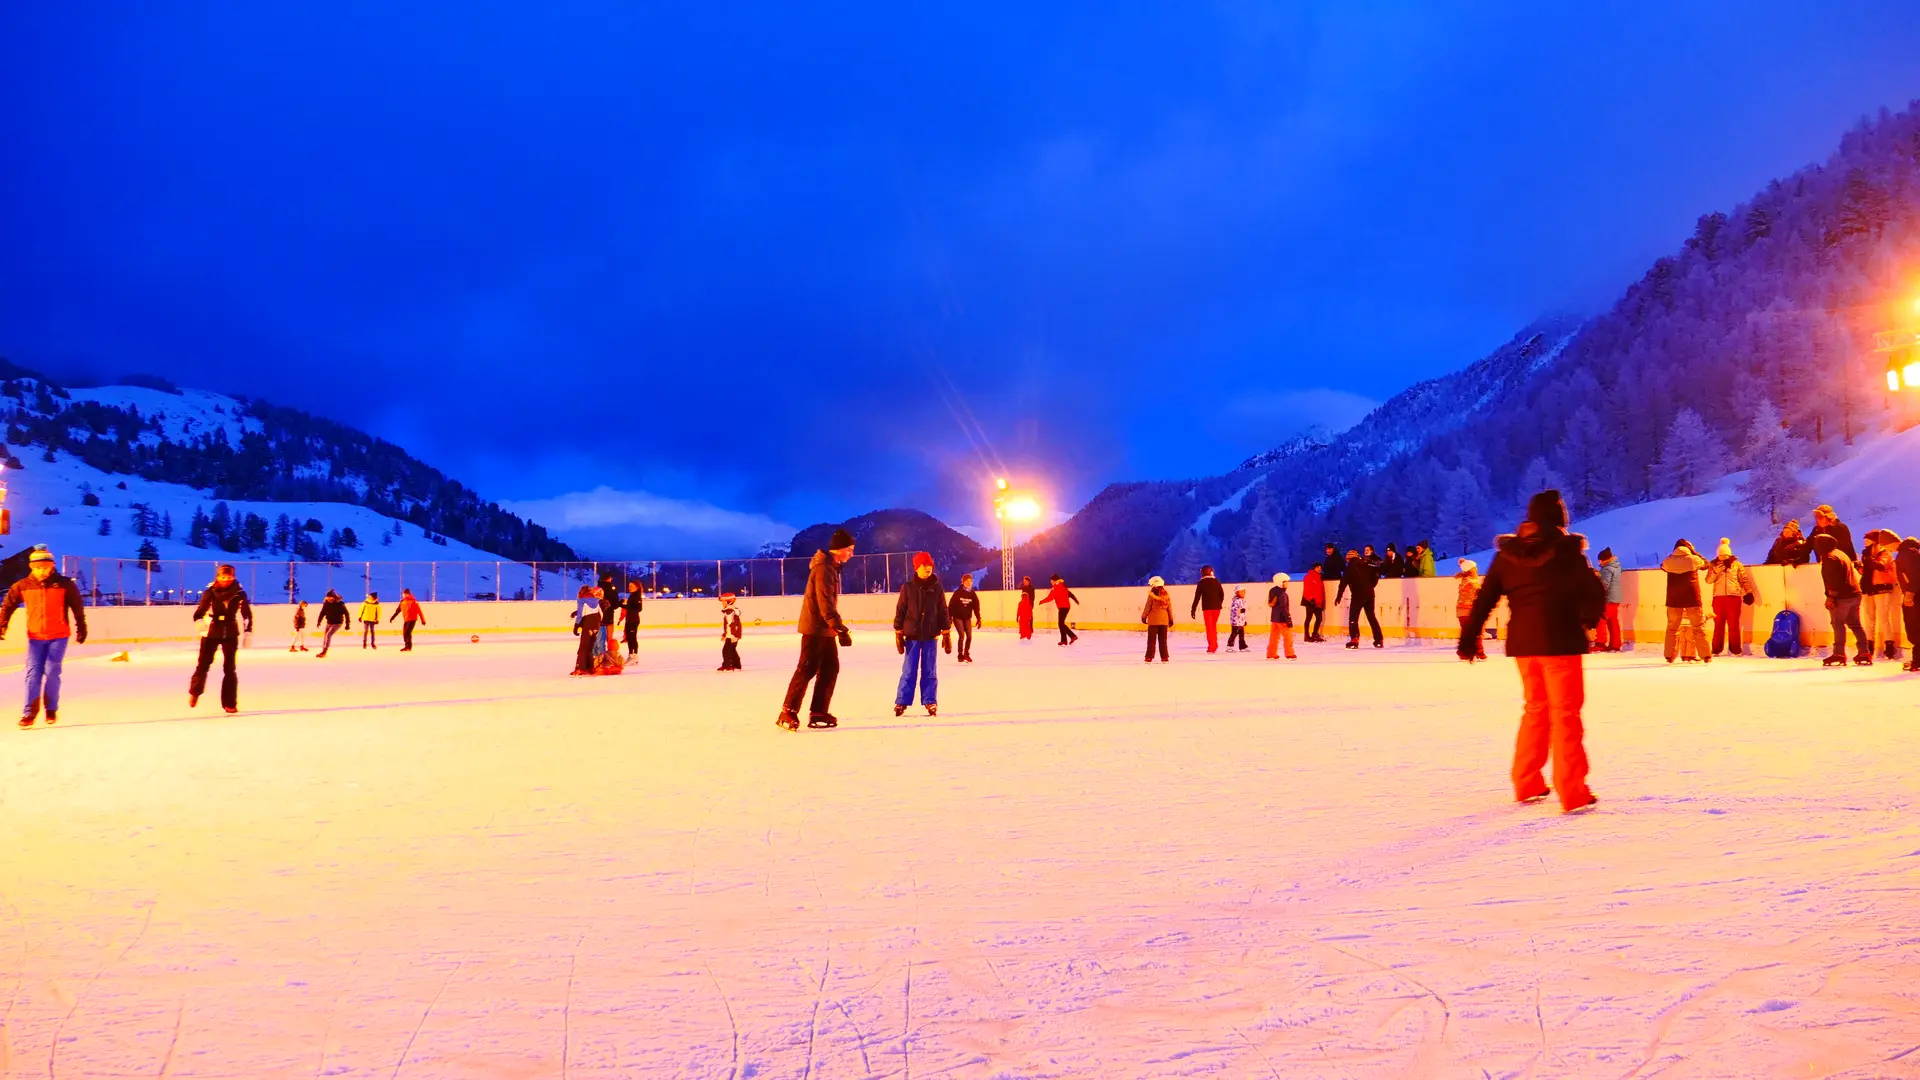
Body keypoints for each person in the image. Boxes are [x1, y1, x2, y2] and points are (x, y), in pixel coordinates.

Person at [1459, 490, 1601, 814]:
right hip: (1561, 643)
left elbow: (1485, 598)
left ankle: (1527, 782)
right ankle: (1573, 791)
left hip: (1524, 646)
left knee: (1535, 710)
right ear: (1559, 519)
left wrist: (1469, 637)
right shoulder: (1568, 552)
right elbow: (1594, 590)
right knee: (1565, 715)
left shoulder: (1507, 554)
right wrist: (1588, 618)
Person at [0, 546, 87, 727]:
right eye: (39, 567)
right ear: (32, 567)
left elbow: (77, 606)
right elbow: (7, 606)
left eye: (46, 567)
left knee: (52, 670)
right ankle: (29, 713)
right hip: (35, 637)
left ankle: (51, 710)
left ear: (52, 567)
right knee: (33, 674)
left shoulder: (64, 584)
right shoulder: (22, 586)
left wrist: (81, 627)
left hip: (59, 635)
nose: (43, 571)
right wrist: (2, 625)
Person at [780, 528, 856, 730]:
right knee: (806, 669)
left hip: (824, 629)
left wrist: (835, 629)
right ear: (839, 550)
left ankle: (818, 711)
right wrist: (840, 628)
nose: (851, 553)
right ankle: (787, 712)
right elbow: (825, 603)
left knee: (830, 669)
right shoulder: (824, 569)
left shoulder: (830, 567)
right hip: (815, 628)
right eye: (849, 549)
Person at [892, 552, 949, 716]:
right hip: (912, 635)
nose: (928, 568)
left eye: (930, 565)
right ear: (917, 568)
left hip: (931, 634)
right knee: (909, 669)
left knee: (930, 670)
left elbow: (943, 610)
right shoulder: (908, 587)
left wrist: (946, 631)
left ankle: (930, 701)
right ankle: (901, 701)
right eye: (924, 566)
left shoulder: (937, 587)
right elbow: (901, 609)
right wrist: (898, 630)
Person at [189, 564, 252, 714]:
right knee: (203, 664)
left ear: (233, 577)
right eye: (223, 577)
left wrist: (248, 632)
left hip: (230, 632)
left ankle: (229, 703)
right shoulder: (210, 592)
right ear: (218, 577)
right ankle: (195, 692)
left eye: (229, 577)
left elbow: (247, 614)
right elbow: (198, 613)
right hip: (211, 632)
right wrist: (201, 625)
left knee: (230, 669)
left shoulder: (239, 593)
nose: (226, 580)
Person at [1813, 533, 1869, 667]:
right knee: (1855, 624)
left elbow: (1835, 579)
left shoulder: (1830, 558)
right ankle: (1864, 652)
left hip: (1842, 597)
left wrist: (1831, 596)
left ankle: (1839, 653)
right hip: (1854, 593)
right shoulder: (1840, 554)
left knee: (1838, 624)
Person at [1704, 539, 1757, 657]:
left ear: (1729, 554)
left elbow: (1743, 579)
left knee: (1733, 624)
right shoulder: (1713, 565)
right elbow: (1708, 580)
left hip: (1734, 597)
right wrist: (1717, 570)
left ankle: (1735, 650)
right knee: (1718, 624)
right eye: (1721, 555)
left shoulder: (1737, 565)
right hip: (1718, 598)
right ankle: (1716, 649)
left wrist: (1748, 592)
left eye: (1725, 555)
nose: (1723, 557)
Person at [1661, 540, 1710, 664]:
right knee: (1698, 627)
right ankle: (1706, 656)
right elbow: (1706, 564)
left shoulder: (1668, 560)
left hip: (1673, 599)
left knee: (1672, 629)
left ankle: (1669, 656)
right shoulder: (1694, 559)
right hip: (1692, 598)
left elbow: (1662, 567)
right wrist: (1696, 554)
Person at [1859, 528, 1904, 662]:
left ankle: (1889, 646)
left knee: (1883, 617)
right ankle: (1869, 646)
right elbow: (1867, 570)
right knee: (1869, 618)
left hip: (1881, 588)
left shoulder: (1885, 553)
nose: (1865, 542)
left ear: (1875, 541)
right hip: (1868, 588)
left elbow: (1881, 566)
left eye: (1867, 539)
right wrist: (1860, 567)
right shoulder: (1866, 553)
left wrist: (1868, 561)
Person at [1336, 548, 1383, 649]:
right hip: (1370, 594)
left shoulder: (1348, 568)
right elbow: (1375, 577)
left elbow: (1343, 583)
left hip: (1358, 595)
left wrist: (1339, 596)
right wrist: (1370, 587)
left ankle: (1354, 639)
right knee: (1371, 617)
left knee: (1353, 618)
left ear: (1349, 559)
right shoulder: (1366, 565)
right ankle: (1379, 640)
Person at [1454, 559, 1487, 661]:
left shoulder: (1465, 580)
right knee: (1476, 632)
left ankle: (1463, 652)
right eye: (1475, 568)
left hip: (1462, 611)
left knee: (1467, 633)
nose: (1476, 570)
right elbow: (1481, 593)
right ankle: (1479, 652)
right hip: (1468, 611)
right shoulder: (1470, 583)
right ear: (1471, 570)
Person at [1895, 536, 1920, 672]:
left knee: (1914, 628)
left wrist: (1910, 592)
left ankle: (1917, 660)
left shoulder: (1907, 555)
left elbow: (1915, 575)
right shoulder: (1910, 554)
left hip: (1915, 597)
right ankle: (1916, 659)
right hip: (1914, 595)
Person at [947, 573, 982, 663]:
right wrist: (950, 617)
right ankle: (960, 654)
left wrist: (979, 619)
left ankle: (966, 653)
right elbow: (951, 606)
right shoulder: (958, 593)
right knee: (962, 635)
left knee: (969, 636)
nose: (969, 583)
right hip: (957, 617)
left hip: (967, 617)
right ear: (963, 582)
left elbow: (976, 607)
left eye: (970, 581)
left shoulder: (972, 594)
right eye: (967, 581)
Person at [1190, 566, 1226, 653]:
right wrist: (1219, 603)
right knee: (1213, 626)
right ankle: (1214, 644)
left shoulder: (1201, 583)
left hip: (1207, 608)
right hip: (1217, 608)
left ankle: (1212, 647)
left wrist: (1193, 609)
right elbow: (1222, 594)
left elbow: (1197, 597)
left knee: (1210, 628)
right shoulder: (1216, 581)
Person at [1594, 548, 1623, 652]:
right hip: (1615, 598)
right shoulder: (1616, 566)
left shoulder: (1607, 569)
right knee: (1613, 622)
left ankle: (1600, 643)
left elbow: (1604, 584)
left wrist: (1597, 577)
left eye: (1600, 560)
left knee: (1601, 620)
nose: (1599, 562)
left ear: (1604, 559)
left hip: (1608, 598)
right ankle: (1616, 644)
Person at [571, 585, 602, 676]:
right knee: (590, 648)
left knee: (583, 647)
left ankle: (581, 668)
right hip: (596, 624)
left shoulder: (582, 601)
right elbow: (600, 614)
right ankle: (590, 668)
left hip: (588, 624)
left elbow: (580, 615)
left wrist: (576, 626)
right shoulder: (597, 600)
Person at [1140, 576, 1173, 662]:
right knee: (1163, 641)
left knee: (1151, 641)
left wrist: (1144, 617)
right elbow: (1169, 608)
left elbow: (1148, 607)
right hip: (1164, 620)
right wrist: (1171, 619)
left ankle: (1149, 657)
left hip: (1153, 621)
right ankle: (1164, 657)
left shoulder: (1152, 595)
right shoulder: (1166, 595)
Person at [1265, 573, 1297, 660]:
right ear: (1280, 582)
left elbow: (1271, 604)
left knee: (1274, 637)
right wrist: (1288, 619)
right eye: (1285, 582)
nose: (1287, 584)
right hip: (1282, 619)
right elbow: (1284, 608)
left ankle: (1271, 653)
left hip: (1274, 618)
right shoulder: (1282, 594)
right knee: (1288, 637)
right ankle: (1289, 653)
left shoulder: (1272, 591)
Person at [1043, 574, 1080, 645]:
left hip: (1063, 607)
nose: (1050, 581)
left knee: (1061, 624)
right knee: (1061, 624)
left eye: (1051, 580)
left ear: (1054, 580)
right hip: (1066, 607)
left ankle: (1072, 636)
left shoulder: (1055, 587)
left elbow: (1050, 597)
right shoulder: (1063, 586)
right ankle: (1064, 640)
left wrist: (1042, 601)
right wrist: (1076, 600)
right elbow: (1070, 594)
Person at [389, 587, 426, 652]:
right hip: (406, 619)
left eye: (406, 594)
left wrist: (423, 620)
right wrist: (392, 617)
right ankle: (408, 646)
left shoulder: (414, 601)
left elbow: (419, 611)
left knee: (407, 633)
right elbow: (398, 611)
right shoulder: (402, 602)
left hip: (412, 619)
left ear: (409, 594)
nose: (404, 595)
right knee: (404, 633)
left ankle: (408, 646)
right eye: (404, 594)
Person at [316, 590, 349, 657]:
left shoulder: (340, 604)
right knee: (325, 636)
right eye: (327, 597)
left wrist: (347, 624)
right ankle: (323, 652)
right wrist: (319, 621)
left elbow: (346, 613)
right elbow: (322, 613)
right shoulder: (326, 603)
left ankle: (324, 651)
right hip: (329, 622)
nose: (328, 598)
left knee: (328, 635)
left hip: (338, 623)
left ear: (333, 597)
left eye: (330, 597)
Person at [1300, 564, 1326, 642]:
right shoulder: (1309, 576)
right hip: (1309, 601)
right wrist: (1310, 598)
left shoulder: (1319, 577)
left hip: (1317, 602)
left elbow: (1320, 591)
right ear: (1314, 568)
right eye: (1318, 567)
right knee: (1309, 618)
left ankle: (1314, 634)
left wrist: (1321, 602)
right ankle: (1306, 635)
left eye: (1320, 568)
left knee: (1319, 618)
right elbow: (1307, 588)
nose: (1319, 569)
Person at [718, 593, 743, 671]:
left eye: (724, 602)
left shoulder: (730, 612)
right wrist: (725, 634)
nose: (722, 604)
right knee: (732, 650)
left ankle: (727, 666)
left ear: (729, 602)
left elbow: (734, 625)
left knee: (726, 651)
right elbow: (727, 625)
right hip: (731, 634)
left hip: (733, 635)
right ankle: (737, 665)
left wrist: (733, 636)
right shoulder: (729, 611)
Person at [622, 581, 644, 659]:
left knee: (632, 638)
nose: (629, 587)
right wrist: (621, 604)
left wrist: (627, 607)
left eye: (631, 586)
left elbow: (639, 608)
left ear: (636, 587)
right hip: (629, 619)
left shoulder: (637, 596)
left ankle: (635, 655)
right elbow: (629, 607)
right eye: (629, 586)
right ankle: (630, 654)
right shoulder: (631, 596)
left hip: (633, 620)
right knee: (629, 638)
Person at [1226, 586, 1249, 651]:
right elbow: (1234, 609)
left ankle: (1242, 646)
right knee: (1234, 633)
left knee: (1241, 634)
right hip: (1236, 621)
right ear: (1237, 593)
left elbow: (1244, 612)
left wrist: (1244, 620)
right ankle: (1229, 646)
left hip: (1240, 621)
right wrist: (1240, 610)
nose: (1242, 593)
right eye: (1240, 592)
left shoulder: (1243, 600)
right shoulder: (1236, 601)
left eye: (1243, 592)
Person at [1016, 575, 1035, 642]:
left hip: (1029, 604)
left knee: (1029, 617)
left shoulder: (1031, 588)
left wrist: (1030, 605)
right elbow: (1023, 595)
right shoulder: (1023, 587)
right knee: (1023, 620)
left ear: (1028, 581)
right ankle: (1023, 632)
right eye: (1024, 581)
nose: (1024, 582)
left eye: (1025, 581)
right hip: (1024, 604)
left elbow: (1032, 597)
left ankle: (1030, 629)